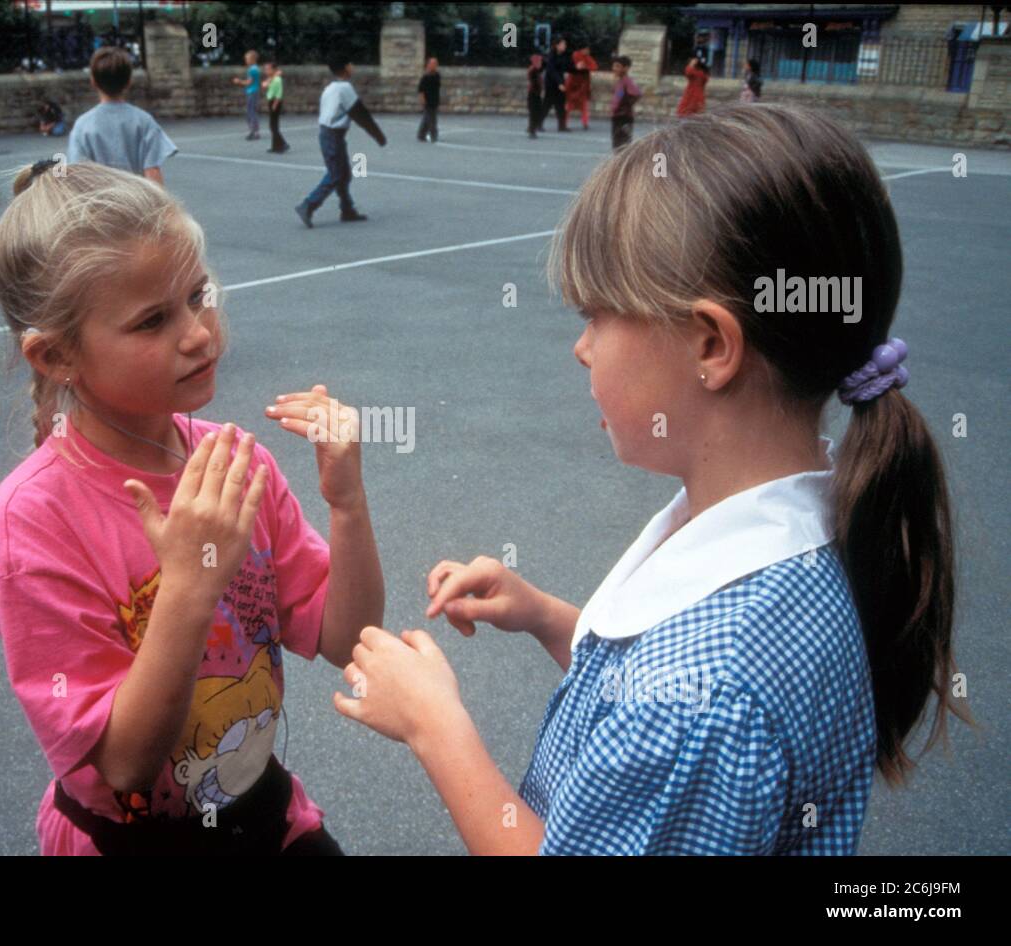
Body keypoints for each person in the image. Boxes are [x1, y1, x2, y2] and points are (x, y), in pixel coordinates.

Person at [332, 104, 968, 855]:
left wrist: (436, 728)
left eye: (597, 315)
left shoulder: (703, 700)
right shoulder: (795, 521)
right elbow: (641, 687)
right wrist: (544, 614)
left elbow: (665, 707)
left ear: (710, 344)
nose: (580, 348)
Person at [0, 160, 385, 855]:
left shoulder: (235, 462)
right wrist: (192, 585)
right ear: (56, 356)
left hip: (259, 811)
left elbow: (347, 641)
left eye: (198, 294)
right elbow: (125, 763)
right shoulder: (29, 525)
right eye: (153, 320)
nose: (198, 332)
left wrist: (346, 504)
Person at [294, 50, 385, 229]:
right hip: (333, 135)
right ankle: (308, 205)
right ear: (345, 68)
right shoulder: (345, 89)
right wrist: (378, 136)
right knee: (336, 174)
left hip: (329, 133)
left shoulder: (330, 88)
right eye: (350, 64)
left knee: (343, 173)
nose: (353, 67)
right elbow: (361, 115)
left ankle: (347, 209)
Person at [68, 46, 177, 185]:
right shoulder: (144, 121)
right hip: (136, 203)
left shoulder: (83, 125)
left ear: (93, 82)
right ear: (129, 81)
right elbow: (152, 172)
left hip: (99, 203)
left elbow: (79, 176)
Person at [609, 55, 642, 151]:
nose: (614, 69)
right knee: (617, 145)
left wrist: (625, 106)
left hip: (624, 118)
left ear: (626, 68)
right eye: (614, 66)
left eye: (617, 66)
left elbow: (637, 94)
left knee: (623, 146)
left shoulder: (627, 81)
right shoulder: (621, 81)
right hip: (617, 117)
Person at [542, 37, 572, 132]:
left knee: (561, 106)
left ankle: (562, 126)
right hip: (551, 84)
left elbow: (568, 66)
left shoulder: (563, 55)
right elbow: (552, 71)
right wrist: (559, 83)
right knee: (546, 105)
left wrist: (577, 67)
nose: (565, 46)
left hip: (560, 84)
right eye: (563, 44)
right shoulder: (551, 56)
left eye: (565, 44)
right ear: (557, 45)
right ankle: (538, 124)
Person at [565, 46, 598, 131]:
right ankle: (565, 122)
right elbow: (583, 66)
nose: (588, 51)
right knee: (570, 105)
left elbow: (594, 66)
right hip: (574, 85)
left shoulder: (587, 57)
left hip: (581, 85)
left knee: (582, 105)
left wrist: (585, 67)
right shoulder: (576, 55)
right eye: (586, 49)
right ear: (582, 49)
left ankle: (585, 122)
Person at [232, 49, 261, 140]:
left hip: (251, 92)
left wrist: (238, 81)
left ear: (252, 59)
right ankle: (255, 131)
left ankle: (253, 132)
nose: (246, 61)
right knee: (252, 111)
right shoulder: (256, 69)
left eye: (247, 59)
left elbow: (249, 82)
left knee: (250, 112)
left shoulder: (252, 70)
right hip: (254, 91)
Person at [264, 59, 288, 153]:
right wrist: (273, 76)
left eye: (268, 69)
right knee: (272, 126)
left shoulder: (277, 80)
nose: (266, 71)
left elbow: (279, 94)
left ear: (274, 69)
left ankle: (281, 145)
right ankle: (276, 146)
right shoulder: (273, 79)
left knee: (274, 126)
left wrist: (275, 104)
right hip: (271, 101)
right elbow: (264, 85)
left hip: (275, 102)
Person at [416, 56, 441, 143]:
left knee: (427, 119)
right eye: (433, 64)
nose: (435, 65)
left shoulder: (437, 75)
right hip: (428, 101)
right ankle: (434, 136)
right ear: (428, 65)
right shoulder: (425, 77)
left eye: (436, 64)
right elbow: (420, 90)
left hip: (435, 100)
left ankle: (421, 134)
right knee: (432, 120)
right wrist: (423, 101)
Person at [526, 53, 544, 139]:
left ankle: (532, 128)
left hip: (535, 94)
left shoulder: (535, 70)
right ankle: (532, 130)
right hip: (534, 94)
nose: (540, 63)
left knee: (535, 112)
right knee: (535, 113)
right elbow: (535, 83)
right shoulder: (533, 71)